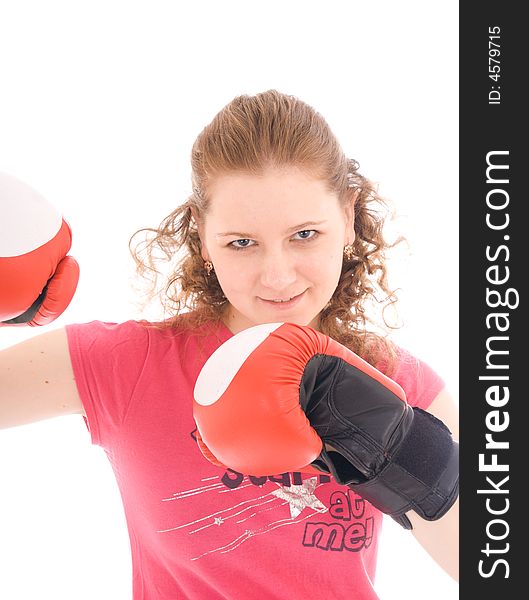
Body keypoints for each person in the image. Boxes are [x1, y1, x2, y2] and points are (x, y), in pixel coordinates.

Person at [1, 89, 458, 599]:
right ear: (202, 235)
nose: (277, 275)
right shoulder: (127, 365)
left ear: (348, 219)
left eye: (305, 234)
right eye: (242, 242)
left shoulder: (396, 376)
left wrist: (400, 446)